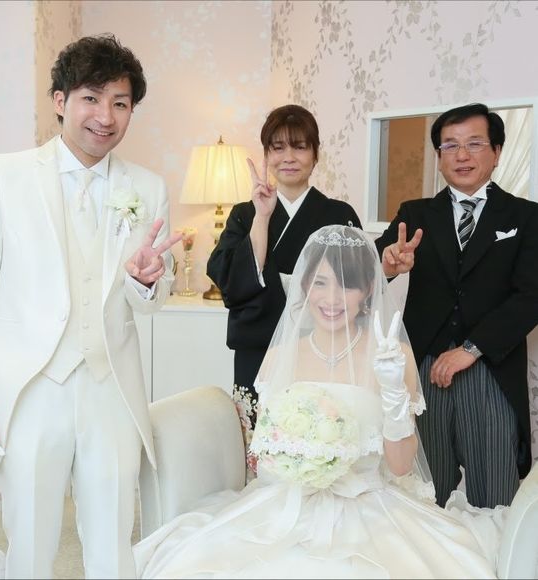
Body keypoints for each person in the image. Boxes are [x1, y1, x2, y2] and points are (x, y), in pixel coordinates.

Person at [133, 224, 501, 579]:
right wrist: (304, 466)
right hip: (289, 504)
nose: (331, 299)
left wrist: (392, 390)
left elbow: (402, 466)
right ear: (304, 286)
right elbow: (266, 460)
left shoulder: (393, 355)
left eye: (347, 285)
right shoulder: (279, 357)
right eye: (320, 283)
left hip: (369, 505)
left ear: (368, 289)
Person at [0, 34, 181, 578]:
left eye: (120, 103)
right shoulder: (4, 175)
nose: (106, 116)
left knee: (113, 541)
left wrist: (148, 282)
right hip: (31, 390)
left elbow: (152, 297)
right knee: (31, 543)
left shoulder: (147, 187)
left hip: (112, 390)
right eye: (91, 98)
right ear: (60, 100)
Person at [376, 102, 538, 509]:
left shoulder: (526, 217)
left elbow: (531, 296)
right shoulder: (415, 213)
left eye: (474, 144)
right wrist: (389, 264)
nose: (462, 155)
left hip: (490, 368)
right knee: (426, 493)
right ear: (439, 156)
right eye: (450, 145)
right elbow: (370, 267)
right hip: (424, 370)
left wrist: (470, 349)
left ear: (496, 152)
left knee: (494, 496)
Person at [207, 104, 361, 426]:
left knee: (319, 437)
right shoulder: (245, 214)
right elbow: (232, 284)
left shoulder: (339, 214)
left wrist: (388, 267)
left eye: (299, 147)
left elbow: (356, 281)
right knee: (258, 440)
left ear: (315, 155)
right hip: (257, 350)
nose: (288, 157)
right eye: (277, 148)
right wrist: (262, 217)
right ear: (266, 154)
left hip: (320, 350)